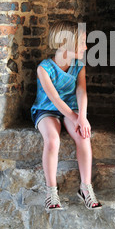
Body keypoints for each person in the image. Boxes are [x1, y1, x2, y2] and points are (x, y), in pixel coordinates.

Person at [31, 20, 102, 212]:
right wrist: (74, 117)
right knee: (52, 140)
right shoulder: (44, 68)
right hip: (47, 108)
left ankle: (86, 187)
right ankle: (51, 190)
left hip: (71, 107)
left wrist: (82, 117)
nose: (86, 47)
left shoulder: (79, 65)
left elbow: (81, 91)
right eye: (81, 43)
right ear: (64, 43)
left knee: (83, 135)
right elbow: (54, 98)